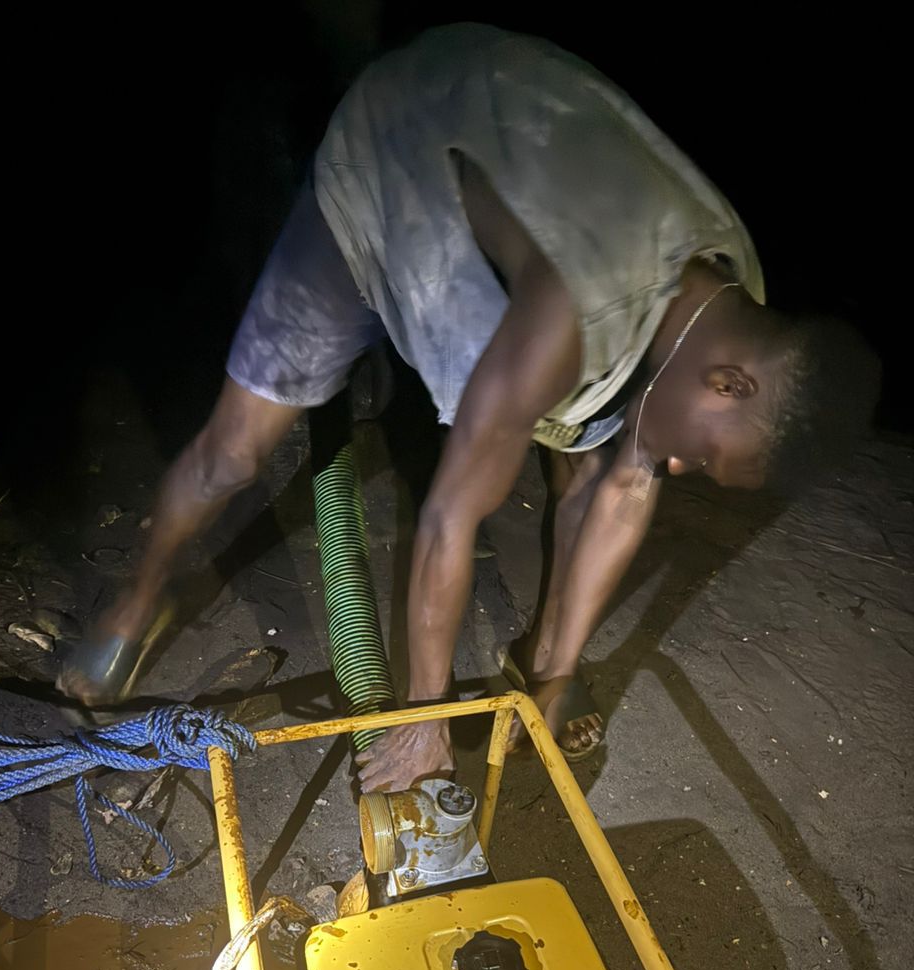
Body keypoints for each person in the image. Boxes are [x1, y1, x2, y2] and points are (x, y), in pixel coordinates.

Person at [57, 23, 880, 792]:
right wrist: (424, 716)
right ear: (730, 383)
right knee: (233, 453)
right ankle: (137, 597)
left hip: (515, 193)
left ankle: (544, 662)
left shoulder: (737, 295)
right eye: (704, 457)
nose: (677, 466)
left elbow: (629, 487)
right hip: (389, 161)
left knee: (604, 451)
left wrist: (555, 678)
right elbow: (449, 517)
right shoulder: (570, 311)